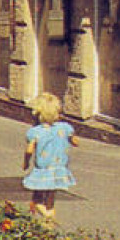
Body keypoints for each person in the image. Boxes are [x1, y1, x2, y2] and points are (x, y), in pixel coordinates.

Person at [22, 91, 77, 222]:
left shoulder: (36, 131)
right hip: (59, 168)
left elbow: (29, 150)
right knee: (51, 198)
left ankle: (43, 214)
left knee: (37, 198)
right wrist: (71, 140)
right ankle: (49, 221)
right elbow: (75, 141)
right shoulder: (65, 128)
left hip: (43, 169)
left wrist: (26, 162)